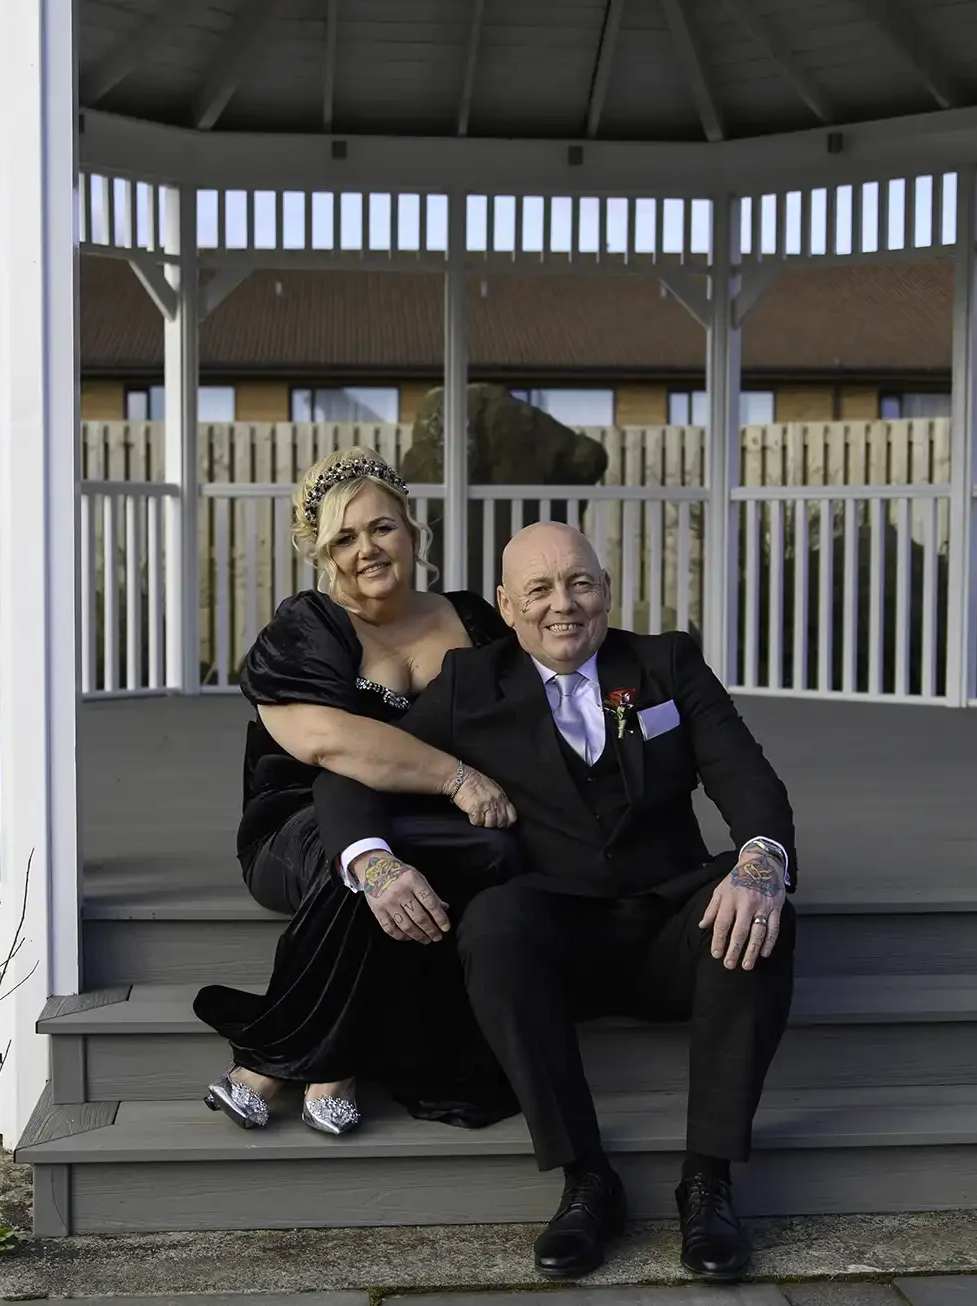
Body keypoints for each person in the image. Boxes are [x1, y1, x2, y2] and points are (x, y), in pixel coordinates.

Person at [314, 520, 798, 1283]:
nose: (561, 605)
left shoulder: (667, 662)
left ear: (606, 591)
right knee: (494, 922)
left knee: (758, 905)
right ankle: (586, 1180)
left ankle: (708, 1183)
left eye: (579, 583)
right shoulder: (472, 683)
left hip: (673, 927)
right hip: (554, 942)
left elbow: (748, 780)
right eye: (538, 589)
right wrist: (371, 862)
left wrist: (762, 861)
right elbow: (351, 771)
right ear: (507, 605)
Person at [193, 447, 523, 1137]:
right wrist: (456, 776)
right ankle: (318, 1061)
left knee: (459, 863)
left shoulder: (475, 621)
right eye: (344, 538)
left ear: (414, 531)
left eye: (382, 528)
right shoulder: (306, 630)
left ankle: (274, 1061)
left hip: (441, 826)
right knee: (364, 869)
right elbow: (326, 743)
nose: (366, 549)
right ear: (323, 555)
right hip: (299, 826)